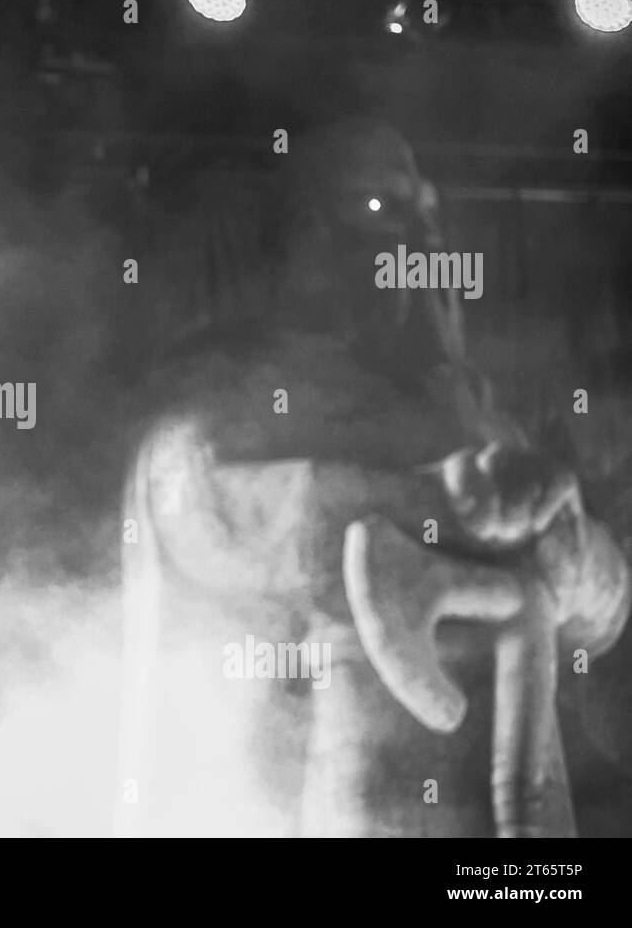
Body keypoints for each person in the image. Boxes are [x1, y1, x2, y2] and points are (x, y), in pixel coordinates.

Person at [116, 119, 628, 837]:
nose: (422, 242)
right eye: (382, 209)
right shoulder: (236, 391)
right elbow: (194, 498)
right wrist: (426, 502)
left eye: (428, 214)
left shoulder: (474, 415)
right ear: (308, 232)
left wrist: (577, 556)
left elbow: (600, 616)